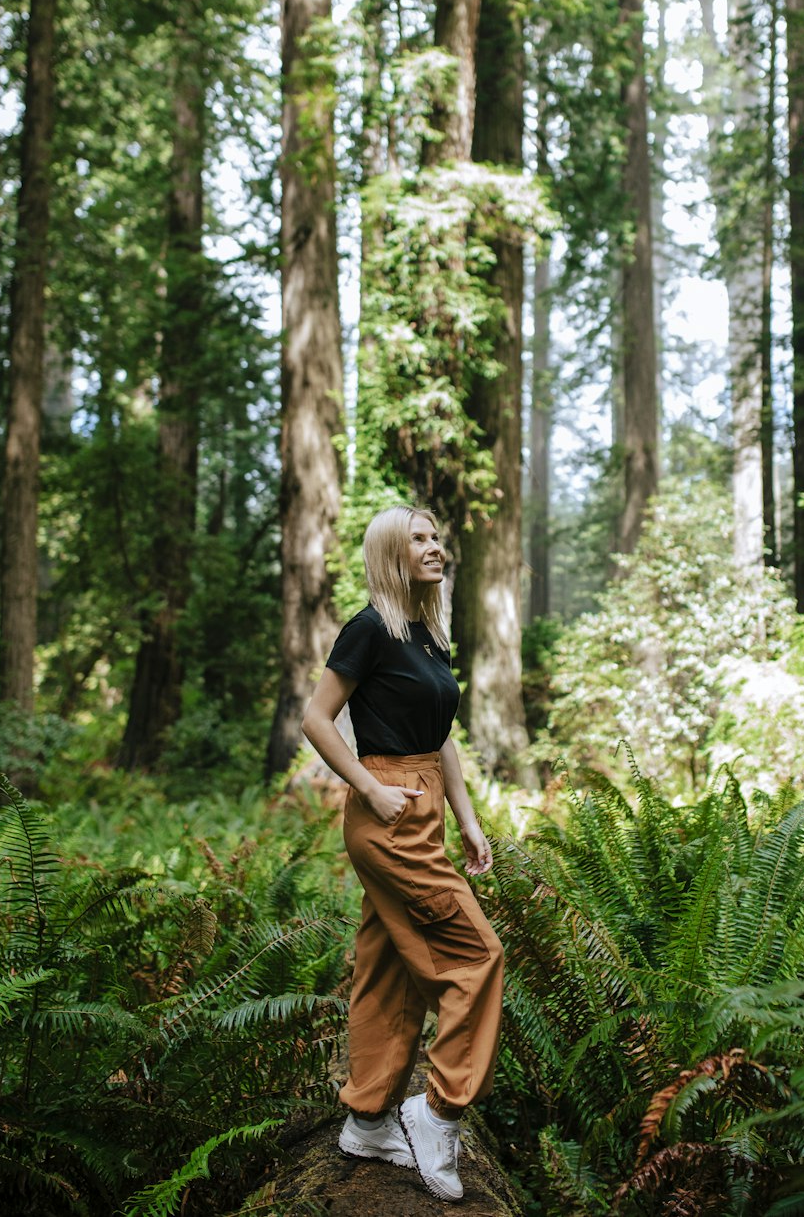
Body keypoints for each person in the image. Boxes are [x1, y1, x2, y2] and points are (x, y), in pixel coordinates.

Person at [301, 504, 504, 1203]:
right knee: (476, 957)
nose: (434, 547)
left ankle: (367, 1118)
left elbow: (441, 736)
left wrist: (467, 819)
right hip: (387, 808)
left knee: (388, 966)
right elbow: (315, 717)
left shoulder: (428, 634)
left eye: (437, 536)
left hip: (422, 804)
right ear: (390, 551)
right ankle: (438, 1110)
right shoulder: (370, 629)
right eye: (418, 538)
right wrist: (367, 786)